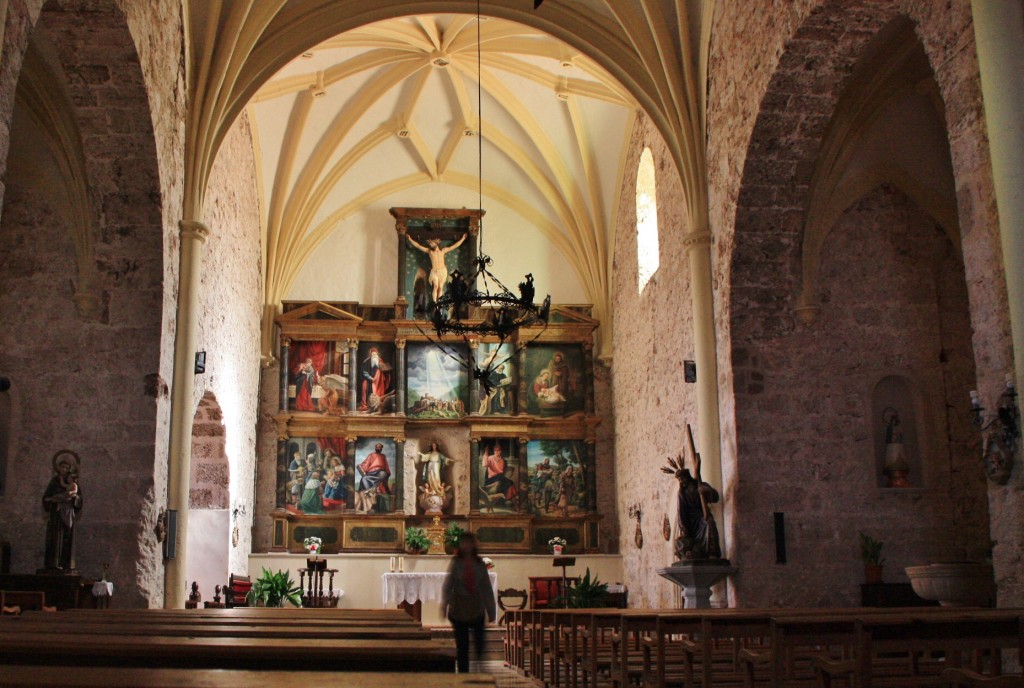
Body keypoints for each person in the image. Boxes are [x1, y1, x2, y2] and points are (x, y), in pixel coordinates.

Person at [441, 532, 495, 673]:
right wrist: (444, 605)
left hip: (476, 607)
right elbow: (448, 584)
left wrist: (491, 610)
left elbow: (486, 587)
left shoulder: (479, 563)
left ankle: (480, 669)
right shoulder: (456, 563)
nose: (466, 546)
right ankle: (463, 674)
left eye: (469, 543)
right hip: (459, 608)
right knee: (462, 646)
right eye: (464, 543)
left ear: (473, 545)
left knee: (479, 644)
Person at [42, 451, 83, 572]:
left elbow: (78, 498)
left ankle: (66, 563)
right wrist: (52, 500)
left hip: (67, 513)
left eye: (66, 467)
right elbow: (46, 497)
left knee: (66, 537)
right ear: (58, 467)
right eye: (62, 467)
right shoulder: (54, 481)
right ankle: (53, 563)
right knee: (54, 538)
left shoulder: (72, 483)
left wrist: (73, 498)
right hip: (56, 514)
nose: (63, 469)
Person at [406, 232, 468, 303]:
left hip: (442, 271)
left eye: (432, 243)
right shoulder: (430, 252)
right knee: (435, 286)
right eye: (430, 244)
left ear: (436, 243)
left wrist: (463, 238)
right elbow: (418, 246)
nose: (431, 244)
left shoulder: (443, 251)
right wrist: (410, 239)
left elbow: (454, 246)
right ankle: (435, 303)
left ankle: (439, 303)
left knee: (440, 287)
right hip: (434, 271)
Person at [357, 443, 392, 512]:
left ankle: (373, 488)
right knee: (364, 478)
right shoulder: (371, 455)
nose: (378, 448)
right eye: (377, 447)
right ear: (375, 448)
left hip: (380, 472)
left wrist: (387, 472)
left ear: (381, 448)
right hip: (371, 473)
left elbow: (386, 466)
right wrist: (360, 466)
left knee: (383, 474)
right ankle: (369, 490)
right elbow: (366, 464)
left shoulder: (383, 456)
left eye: (379, 447)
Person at [360, 347, 394, 412]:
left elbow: (384, 369)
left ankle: (377, 404)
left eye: (375, 354)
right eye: (373, 355)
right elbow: (364, 372)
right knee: (365, 387)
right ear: (371, 355)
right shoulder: (366, 362)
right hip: (369, 380)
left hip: (379, 381)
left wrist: (386, 370)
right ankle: (367, 406)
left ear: (377, 354)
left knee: (379, 392)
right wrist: (370, 378)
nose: (374, 356)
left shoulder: (380, 360)